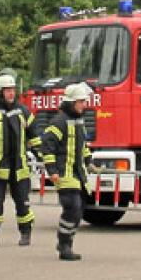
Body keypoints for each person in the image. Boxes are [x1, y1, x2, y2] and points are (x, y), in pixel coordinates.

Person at [0, 73, 41, 247]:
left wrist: (43, 154)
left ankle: (26, 233)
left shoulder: (23, 111)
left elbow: (35, 136)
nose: (11, 93)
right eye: (7, 90)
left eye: (13, 90)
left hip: (19, 167)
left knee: (23, 203)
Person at [41, 82, 95, 261]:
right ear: (72, 102)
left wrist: (89, 161)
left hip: (78, 173)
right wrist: (52, 170)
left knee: (79, 210)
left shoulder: (79, 121)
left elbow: (82, 145)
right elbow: (47, 147)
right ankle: (64, 244)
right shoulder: (59, 122)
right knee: (72, 207)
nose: (84, 105)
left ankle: (66, 240)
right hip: (64, 173)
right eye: (81, 102)